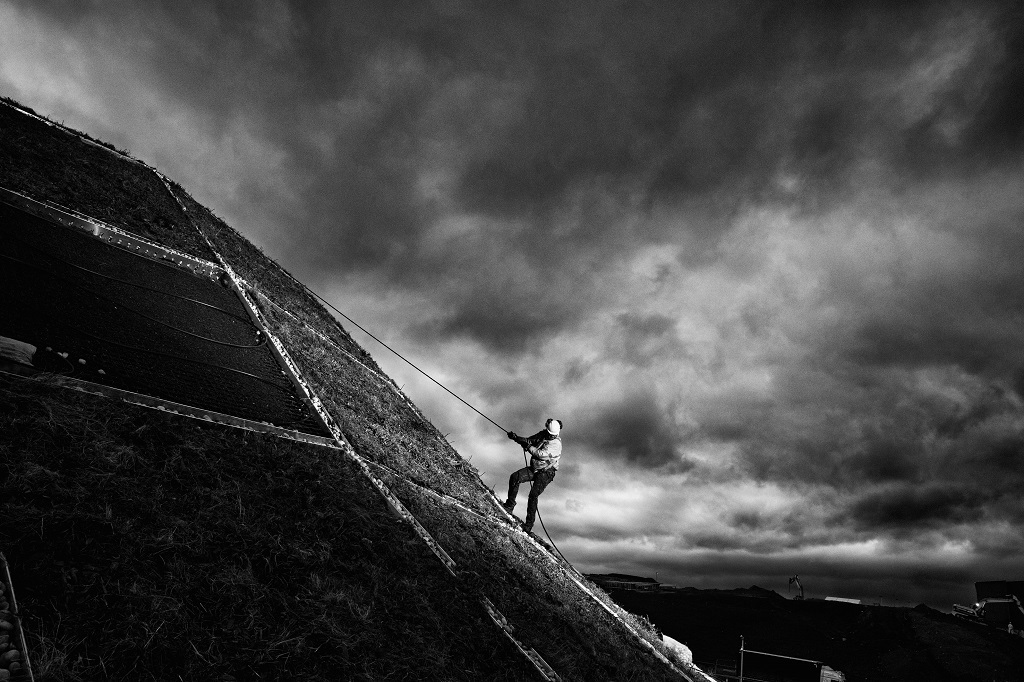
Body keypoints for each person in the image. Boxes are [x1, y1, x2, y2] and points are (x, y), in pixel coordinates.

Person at [503, 418, 562, 533]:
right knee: (515, 477)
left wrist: (528, 447)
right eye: (550, 434)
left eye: (552, 435)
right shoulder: (543, 434)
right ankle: (509, 505)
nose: (550, 436)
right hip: (535, 468)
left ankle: (528, 525)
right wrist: (516, 438)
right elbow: (529, 440)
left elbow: (541, 454)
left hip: (546, 473)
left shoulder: (556, 445)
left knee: (533, 495)